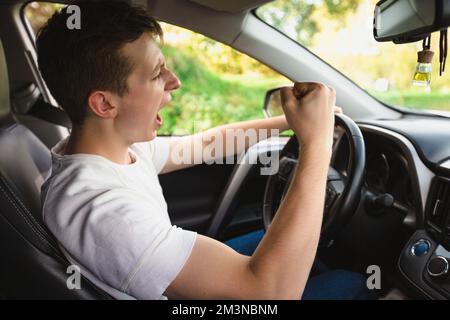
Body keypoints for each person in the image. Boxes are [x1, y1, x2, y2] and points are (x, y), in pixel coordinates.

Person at [37, 0, 373, 300]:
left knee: (298, 247)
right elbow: (270, 293)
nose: (174, 81)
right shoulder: (104, 213)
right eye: (156, 74)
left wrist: (291, 122)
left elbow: (205, 144)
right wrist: (316, 144)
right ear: (105, 103)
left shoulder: (109, 150)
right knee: (351, 281)